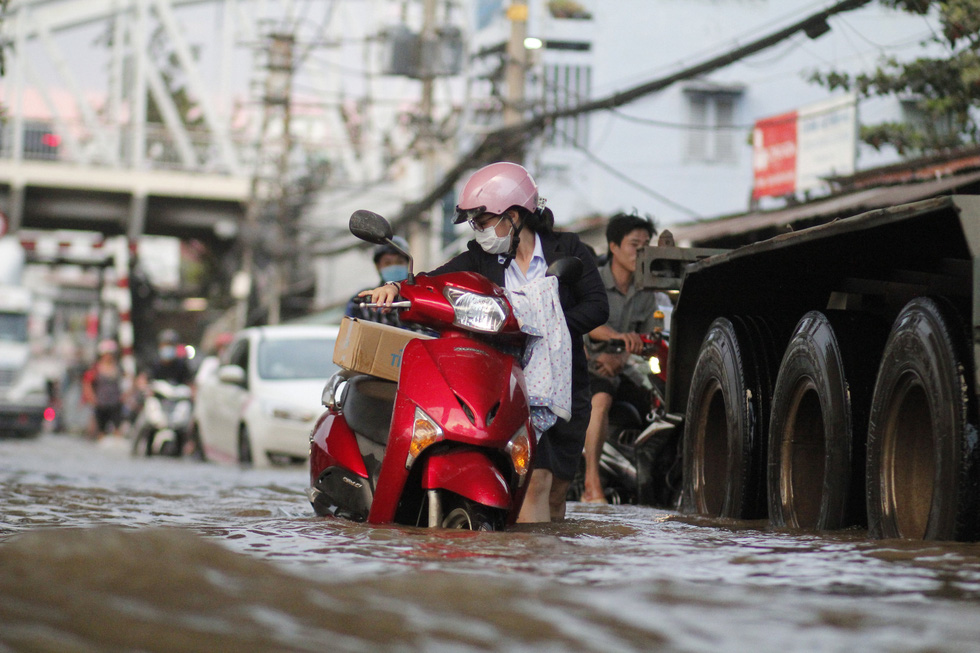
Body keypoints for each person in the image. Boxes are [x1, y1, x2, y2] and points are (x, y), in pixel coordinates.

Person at [360, 161, 609, 523]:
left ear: (513, 215)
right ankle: (525, 570)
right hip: (508, 384)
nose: (479, 232)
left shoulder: (568, 248)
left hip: (566, 383)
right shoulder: (480, 257)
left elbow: (597, 307)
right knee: (534, 480)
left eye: (482, 221)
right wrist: (397, 287)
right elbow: (434, 281)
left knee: (556, 492)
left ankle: (552, 567)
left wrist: (546, 325)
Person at [581, 212, 670, 503]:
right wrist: (614, 343)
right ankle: (590, 483)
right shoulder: (593, 283)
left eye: (646, 245)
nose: (640, 251)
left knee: (664, 406)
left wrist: (621, 358)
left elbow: (649, 342)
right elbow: (588, 326)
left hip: (624, 370)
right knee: (601, 399)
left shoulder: (646, 293)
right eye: (634, 244)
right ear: (614, 247)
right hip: (590, 368)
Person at [346, 236, 412, 327]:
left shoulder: (421, 299)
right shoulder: (363, 301)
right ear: (378, 266)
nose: (394, 267)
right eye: (388, 263)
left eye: (399, 262)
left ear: (407, 264)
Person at [81, 339, 126, 438]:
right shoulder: (96, 368)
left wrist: (125, 396)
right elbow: (87, 384)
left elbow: (126, 382)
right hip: (101, 403)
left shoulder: (118, 368)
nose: (109, 356)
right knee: (100, 431)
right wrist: (92, 398)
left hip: (115, 403)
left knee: (118, 430)